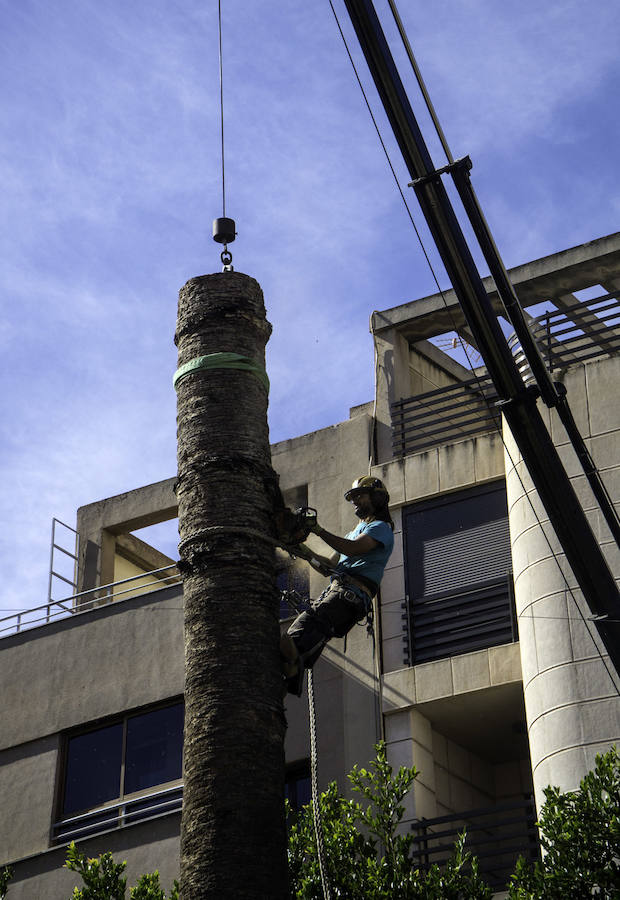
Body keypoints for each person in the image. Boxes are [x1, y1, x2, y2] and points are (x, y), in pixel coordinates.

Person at [281, 476, 394, 695]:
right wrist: (302, 550)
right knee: (297, 646)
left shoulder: (381, 528)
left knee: (292, 640)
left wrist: (318, 530)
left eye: (360, 496)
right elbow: (327, 566)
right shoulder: (355, 532)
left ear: (377, 498)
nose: (355, 501)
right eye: (353, 497)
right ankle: (289, 680)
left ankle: (290, 676)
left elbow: (352, 549)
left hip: (347, 598)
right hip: (337, 595)